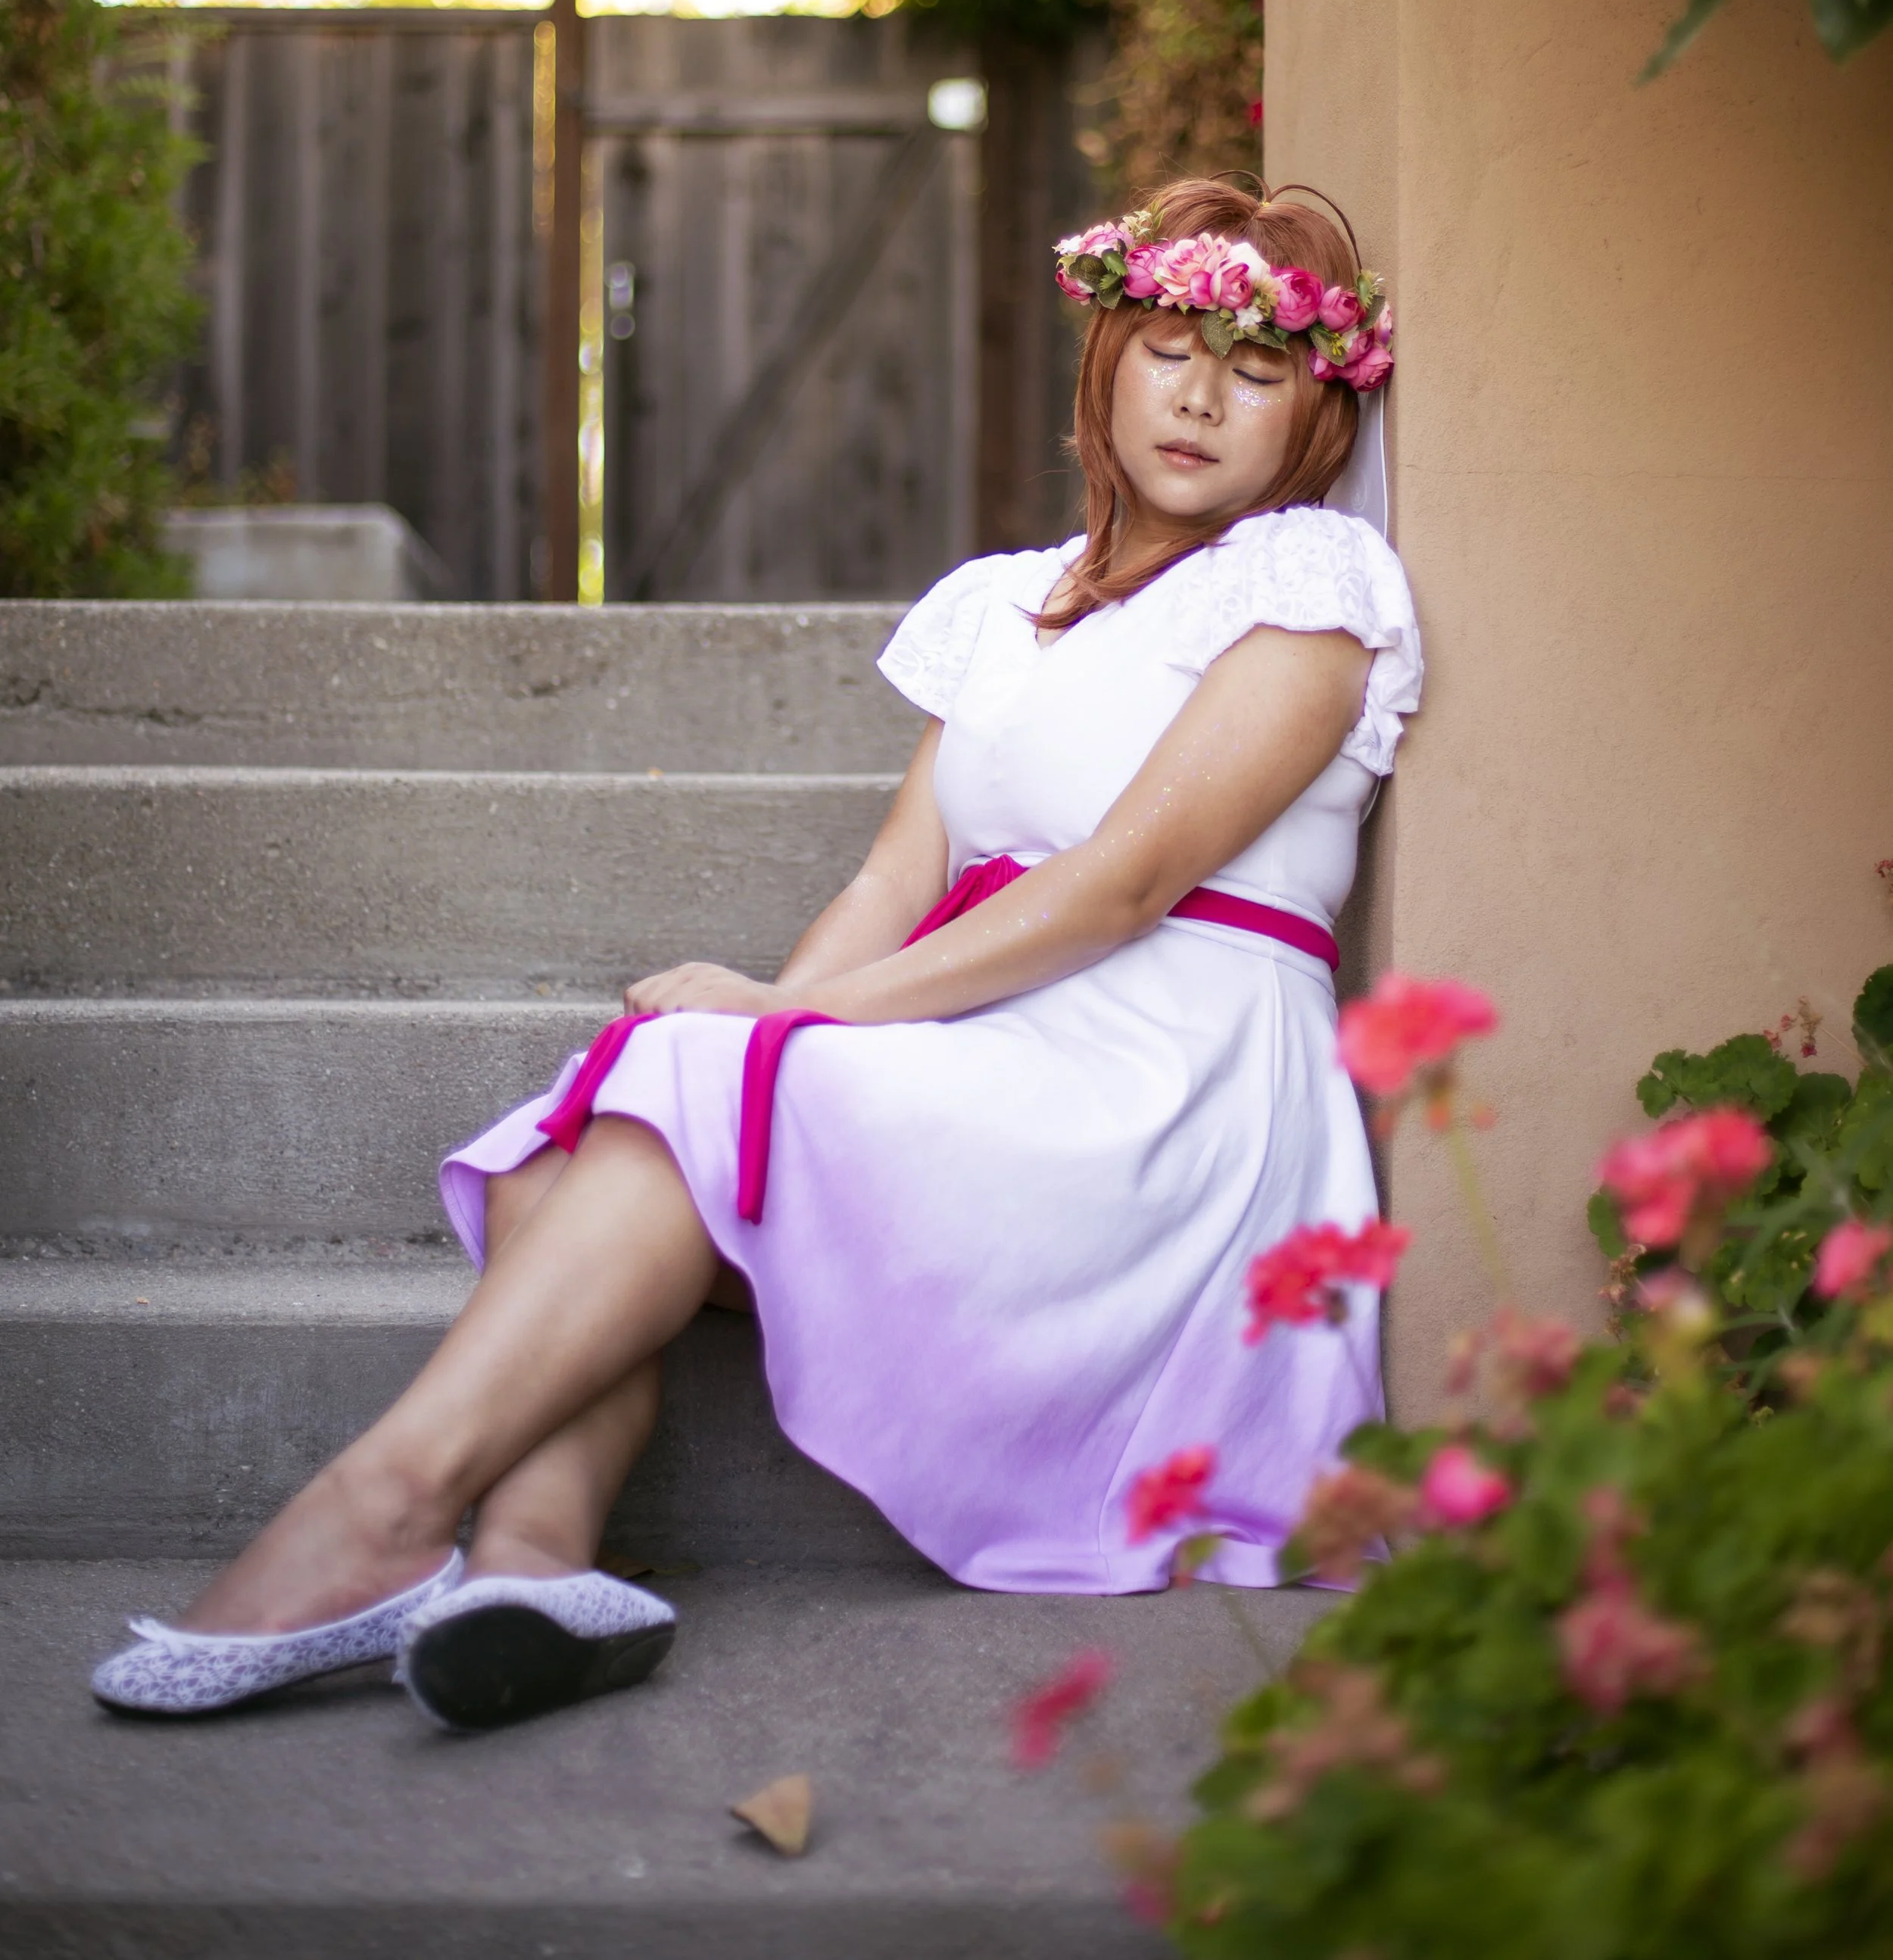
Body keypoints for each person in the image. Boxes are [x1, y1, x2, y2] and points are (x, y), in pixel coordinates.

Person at [93, 176, 1419, 1731]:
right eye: (1167, 350)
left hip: (1162, 1092)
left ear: (1314, 413)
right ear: (1109, 359)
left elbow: (1123, 886)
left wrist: (788, 1028)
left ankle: (377, 1510)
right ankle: (531, 1564)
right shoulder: (1009, 607)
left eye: (1254, 369)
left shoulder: (1307, 584)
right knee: (581, 1143)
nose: (1196, 397)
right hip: (1004, 1047)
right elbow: (889, 874)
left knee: (693, 1087)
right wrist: (777, 1022)